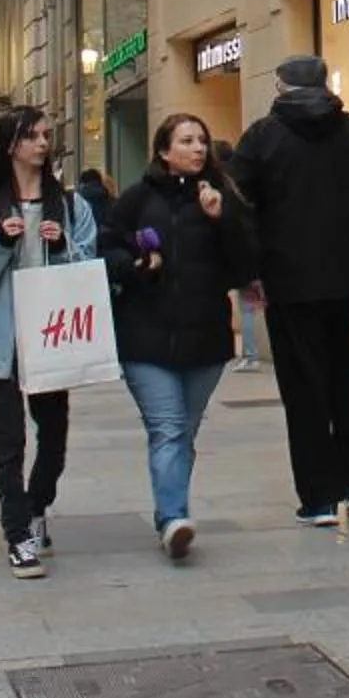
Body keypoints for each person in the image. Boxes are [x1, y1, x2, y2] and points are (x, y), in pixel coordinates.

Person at [229, 54, 349, 526]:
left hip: (290, 284)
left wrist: (254, 262)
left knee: (304, 389)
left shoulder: (262, 137)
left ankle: (318, 497)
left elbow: (237, 204)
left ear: (282, 87)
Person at [107, 113, 257, 559]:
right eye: (187, 140)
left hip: (204, 341)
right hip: (145, 339)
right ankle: (174, 516)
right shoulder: (136, 199)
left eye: (202, 141)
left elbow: (246, 265)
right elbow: (108, 248)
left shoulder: (223, 197)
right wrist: (135, 267)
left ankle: (167, 514)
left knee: (183, 432)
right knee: (168, 428)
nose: (197, 148)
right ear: (163, 150)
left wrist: (221, 221)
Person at [0, 107, 99, 576]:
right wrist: (0, 241)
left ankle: (38, 506)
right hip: (2, 342)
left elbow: (87, 270)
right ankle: (18, 534)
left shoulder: (72, 206)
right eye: (32, 136)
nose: (43, 144)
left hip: (53, 337)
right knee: (8, 442)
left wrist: (61, 247)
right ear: (9, 145)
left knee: (54, 438)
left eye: (46, 135)